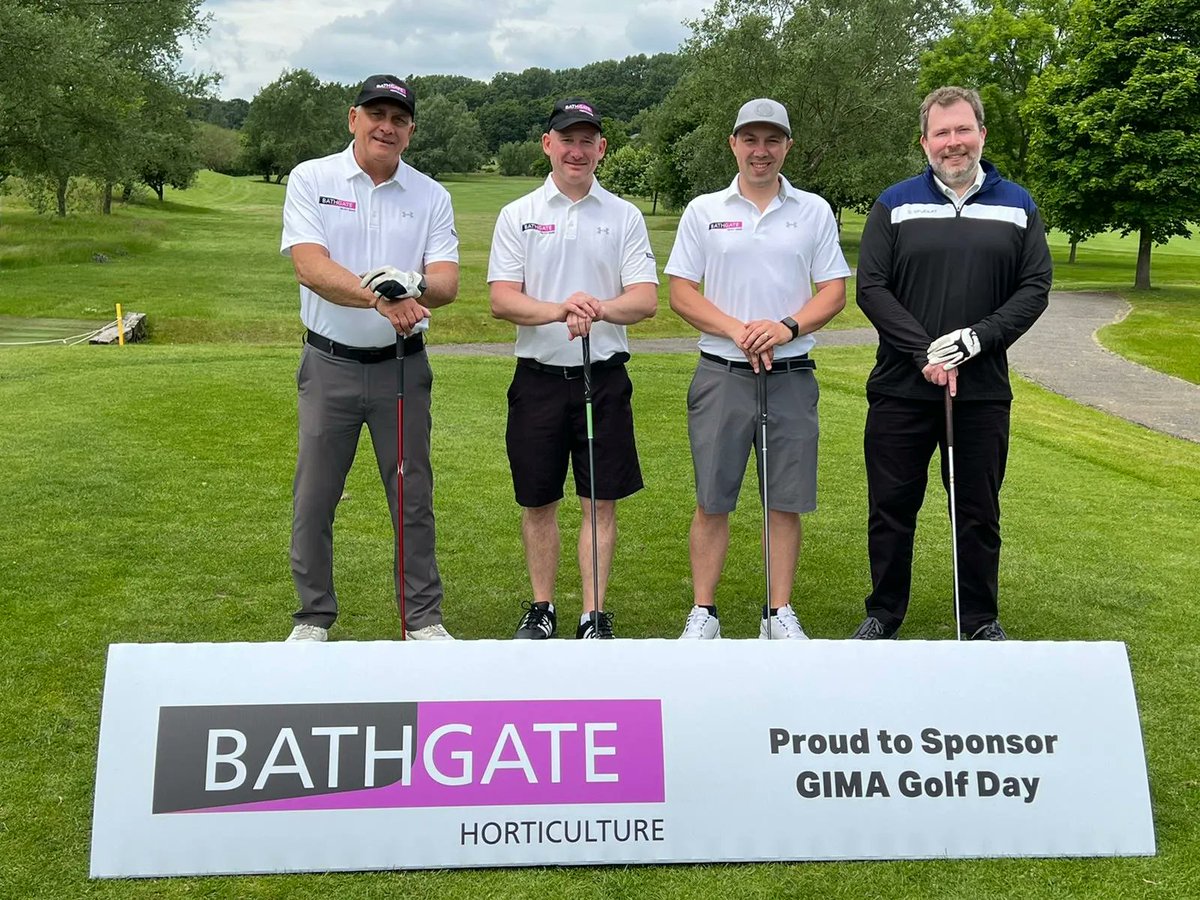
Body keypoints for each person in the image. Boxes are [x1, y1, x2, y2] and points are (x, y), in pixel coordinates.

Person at [854, 86, 1052, 641]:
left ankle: (980, 619)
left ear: (982, 134)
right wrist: (927, 352)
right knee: (891, 507)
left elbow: (1034, 287)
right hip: (901, 387)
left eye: (963, 130)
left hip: (981, 390)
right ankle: (884, 613)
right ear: (924, 141)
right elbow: (872, 287)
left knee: (976, 510)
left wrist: (976, 340)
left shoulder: (1018, 204)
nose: (953, 142)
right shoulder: (894, 204)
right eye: (941, 133)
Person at [280, 74, 459, 642]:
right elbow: (310, 265)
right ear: (352, 117)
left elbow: (448, 282)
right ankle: (313, 617)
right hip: (328, 361)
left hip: (402, 368)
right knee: (315, 496)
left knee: (411, 494)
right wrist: (383, 295)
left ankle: (422, 619)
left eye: (399, 119)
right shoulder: (313, 178)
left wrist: (411, 287)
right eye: (376, 114)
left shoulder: (430, 194)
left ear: (410, 130)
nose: (387, 126)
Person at [664, 98, 850, 641]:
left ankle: (778, 612)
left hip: (791, 373)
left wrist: (786, 327)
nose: (760, 151)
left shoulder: (813, 210)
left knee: (785, 500)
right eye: (750, 139)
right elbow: (681, 291)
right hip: (723, 372)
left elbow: (834, 290)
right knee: (712, 498)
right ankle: (704, 613)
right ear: (734, 144)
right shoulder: (703, 210)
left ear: (787, 146)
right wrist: (737, 328)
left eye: (772, 140)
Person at [487, 98, 658, 640]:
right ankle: (542, 606)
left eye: (588, 141)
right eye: (567, 139)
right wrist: (562, 309)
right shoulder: (518, 214)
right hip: (537, 378)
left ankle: (593, 613)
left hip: (602, 378)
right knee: (538, 500)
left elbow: (646, 299)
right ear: (548, 144)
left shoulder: (624, 216)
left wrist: (597, 308)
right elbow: (502, 300)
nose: (577, 150)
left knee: (598, 500)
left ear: (601, 149)